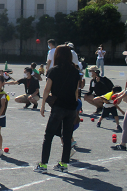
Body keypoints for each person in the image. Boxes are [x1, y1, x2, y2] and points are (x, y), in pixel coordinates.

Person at [34, 45, 81, 174]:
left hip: (58, 107)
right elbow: (76, 91)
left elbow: (47, 89)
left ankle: (43, 164)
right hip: (71, 107)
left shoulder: (54, 70)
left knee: (48, 135)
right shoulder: (75, 71)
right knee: (67, 136)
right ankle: (63, 163)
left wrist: (43, 104)